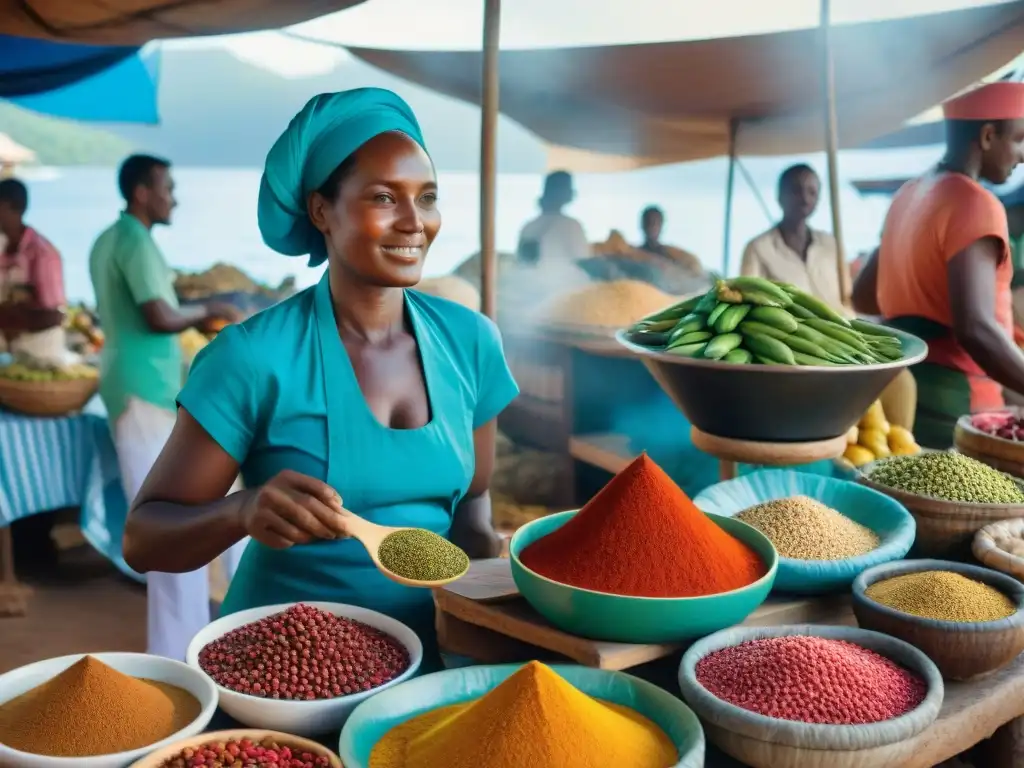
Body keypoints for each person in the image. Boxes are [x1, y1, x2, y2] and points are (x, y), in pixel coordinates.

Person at [121, 89, 520, 668]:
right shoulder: (253, 358)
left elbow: (473, 509)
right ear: (320, 211)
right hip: (285, 664)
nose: (415, 222)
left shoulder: (472, 342)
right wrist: (242, 510)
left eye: (427, 197)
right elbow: (143, 538)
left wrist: (500, 593)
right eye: (384, 197)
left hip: (433, 650)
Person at [89, 154, 241, 660]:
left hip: (131, 386)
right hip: (142, 392)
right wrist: (210, 309)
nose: (173, 196)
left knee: (174, 528)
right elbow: (158, 315)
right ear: (142, 193)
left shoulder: (110, 238)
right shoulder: (134, 240)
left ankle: (186, 651)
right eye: (167, 187)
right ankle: (181, 659)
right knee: (171, 535)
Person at [851, 81, 1024, 448]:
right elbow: (975, 328)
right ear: (989, 136)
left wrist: (920, 299)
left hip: (905, 392)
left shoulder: (909, 194)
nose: (1022, 155)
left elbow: (863, 296)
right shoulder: (974, 202)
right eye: (1019, 140)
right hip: (958, 403)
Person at [0, 177, 69, 573]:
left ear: (13, 208)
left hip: (39, 361)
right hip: (11, 363)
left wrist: (11, 314)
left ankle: (35, 546)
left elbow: (54, 313)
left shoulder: (42, 253)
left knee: (33, 456)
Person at [740, 164, 849, 310]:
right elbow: (748, 301)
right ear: (780, 196)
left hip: (840, 329)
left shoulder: (830, 244)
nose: (805, 199)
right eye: (796, 191)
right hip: (788, 332)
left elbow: (847, 297)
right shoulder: (758, 248)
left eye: (812, 192)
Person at [636, 205, 702, 274]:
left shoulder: (673, 255)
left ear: (661, 225)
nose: (651, 227)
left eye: (655, 223)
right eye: (648, 222)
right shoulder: (633, 255)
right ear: (642, 225)